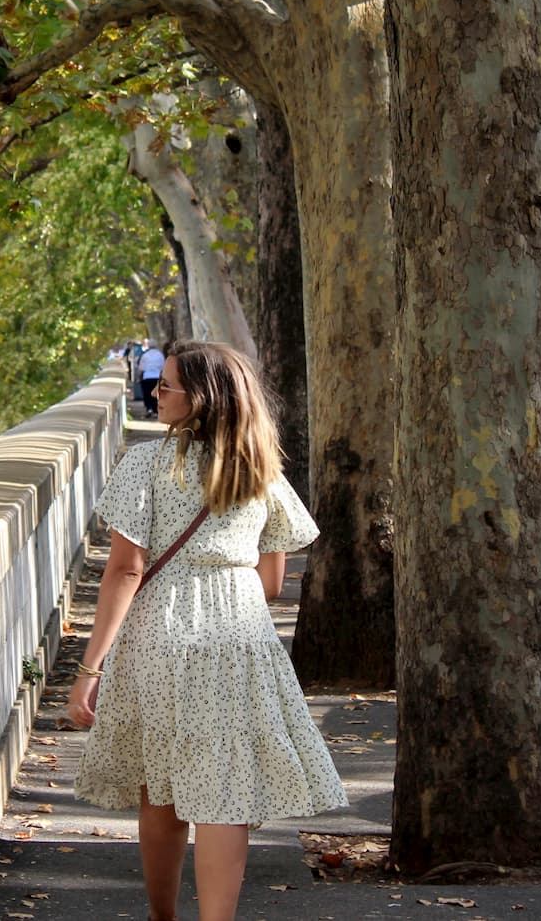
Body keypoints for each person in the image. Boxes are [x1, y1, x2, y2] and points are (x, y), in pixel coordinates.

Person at [67, 341, 346, 921]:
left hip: (161, 634)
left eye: (166, 386)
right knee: (226, 792)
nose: (154, 393)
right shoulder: (260, 468)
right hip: (239, 635)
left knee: (161, 787)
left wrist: (90, 669)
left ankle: (163, 916)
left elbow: (125, 569)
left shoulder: (147, 463)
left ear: (202, 398)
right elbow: (272, 582)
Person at [136, 341, 166, 418]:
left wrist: (139, 378)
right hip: (157, 377)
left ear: (149, 346)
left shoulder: (145, 355)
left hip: (147, 377)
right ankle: (156, 411)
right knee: (157, 395)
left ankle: (149, 408)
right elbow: (164, 368)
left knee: (147, 394)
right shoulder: (160, 355)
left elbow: (141, 368)